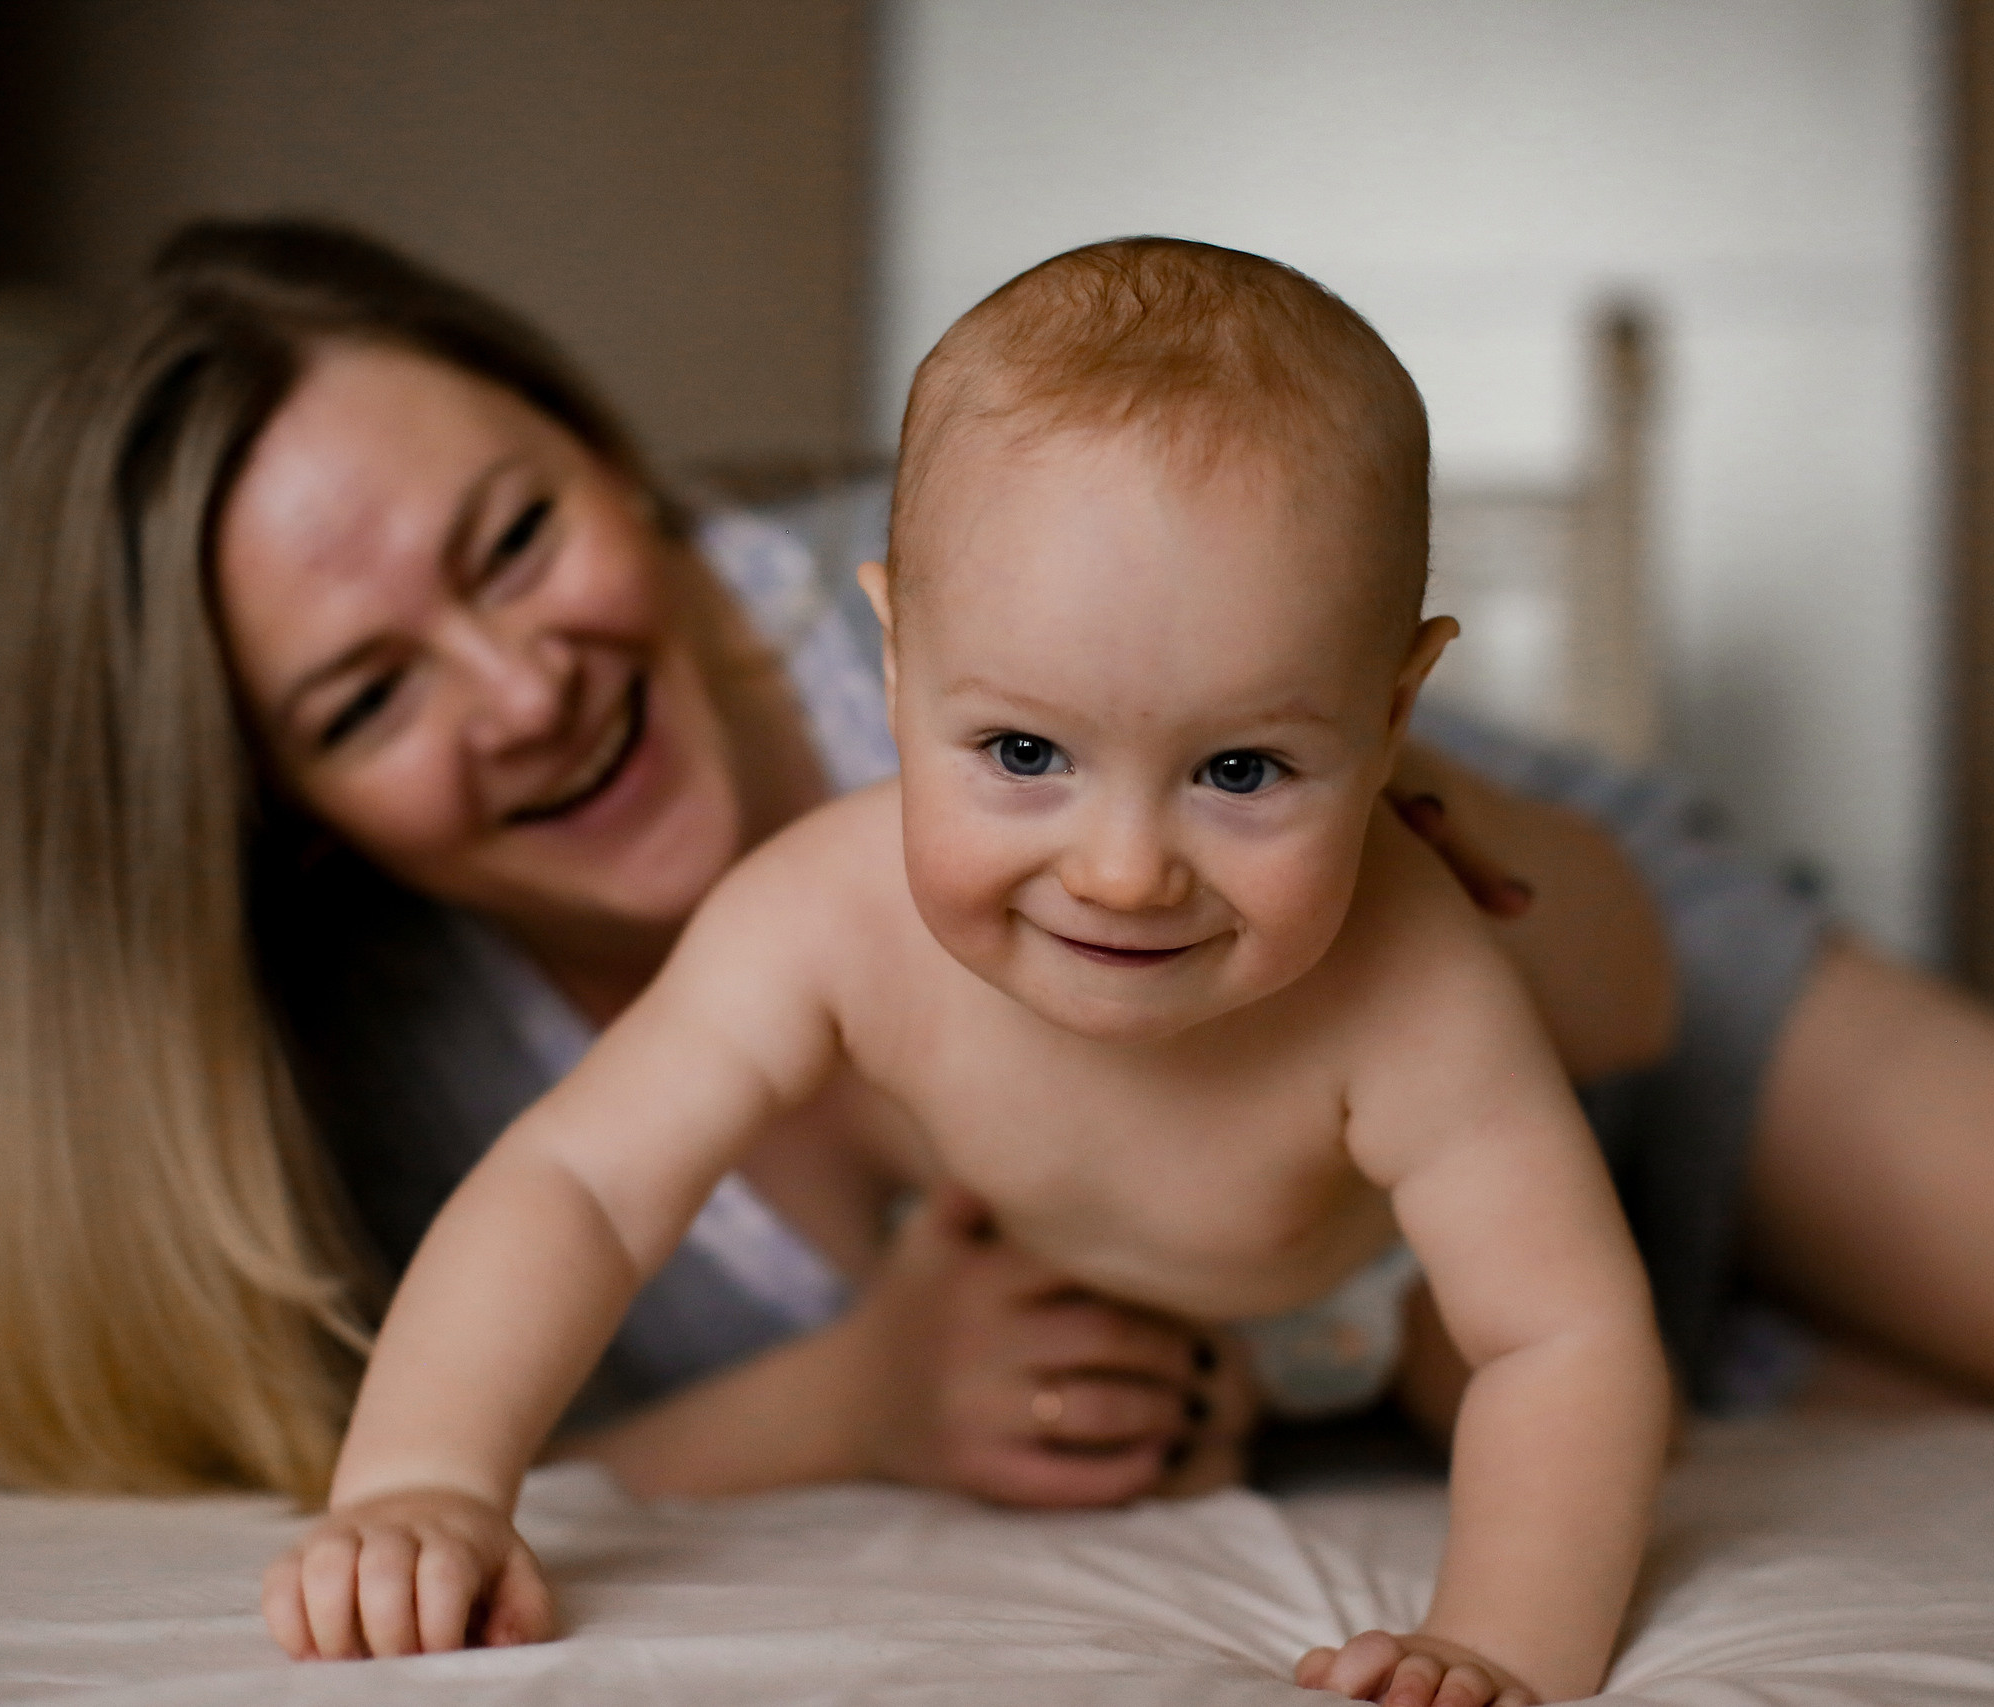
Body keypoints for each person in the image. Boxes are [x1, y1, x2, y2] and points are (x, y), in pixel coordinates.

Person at [0, 218, 1994, 1533]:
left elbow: (1588, 993)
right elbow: (511, 1272)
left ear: (603, 448)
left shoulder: (1167, 694)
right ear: (257, 809)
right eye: (363, 695)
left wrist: (1391, 880)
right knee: (1858, 1430)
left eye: (515, 530)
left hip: (1551, 979)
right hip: (1346, 1327)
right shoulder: (343, 1041)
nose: (522, 679)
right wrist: (842, 1400)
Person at [264, 239, 1670, 1706]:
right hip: (1089, 1303)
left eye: (1240, 768)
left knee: (1566, 1417)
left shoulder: (1410, 982)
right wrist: (423, 1475)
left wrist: (1500, 1641)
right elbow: (581, 1184)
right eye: (1022, 754)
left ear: (1390, 723)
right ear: (896, 663)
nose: (1124, 870)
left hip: (1373, 1276)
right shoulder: (823, 912)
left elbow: (1554, 1333)